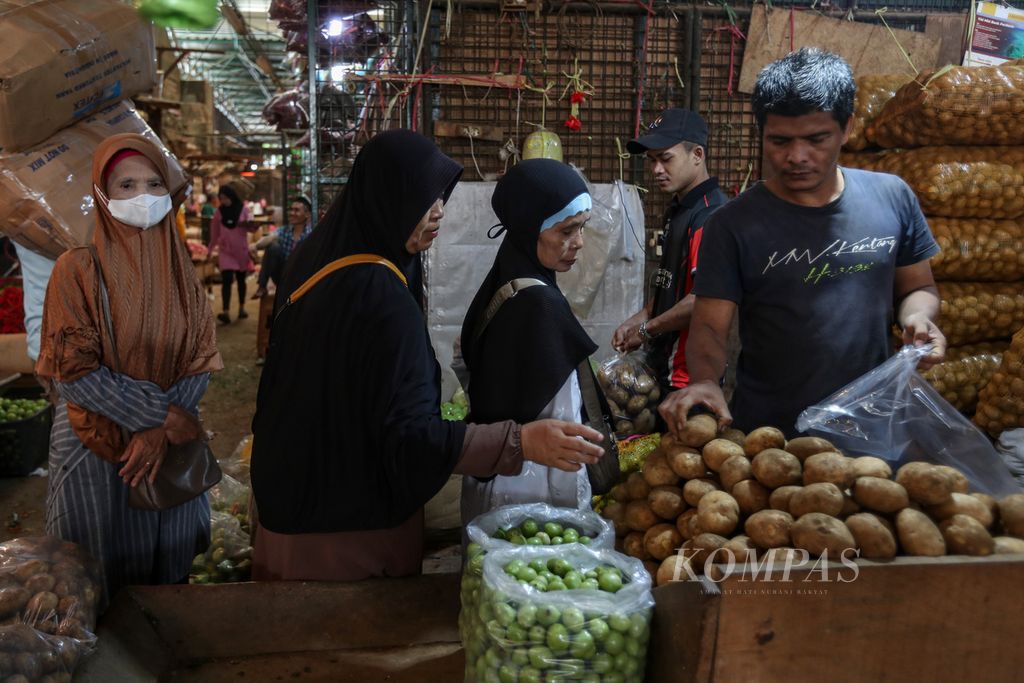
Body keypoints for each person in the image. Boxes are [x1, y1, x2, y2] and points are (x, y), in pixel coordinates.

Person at [249, 130, 604, 581]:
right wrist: (521, 442)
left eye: (442, 196)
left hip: (286, 496)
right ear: (389, 197)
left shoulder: (317, 257)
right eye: (424, 196)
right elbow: (409, 436)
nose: (439, 210)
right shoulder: (380, 295)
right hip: (345, 528)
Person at [658, 48, 946, 439]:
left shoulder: (893, 197)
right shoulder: (731, 224)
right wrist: (706, 380)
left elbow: (918, 288)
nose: (796, 156)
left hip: (873, 425)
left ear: (847, 128)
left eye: (816, 139)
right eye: (779, 141)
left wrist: (917, 318)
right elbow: (709, 326)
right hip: (770, 441)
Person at [35, 133, 223, 607]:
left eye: (155, 183)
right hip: (94, 448)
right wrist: (161, 417)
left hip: (166, 448)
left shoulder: (184, 272)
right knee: (95, 578)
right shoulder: (76, 270)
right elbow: (74, 372)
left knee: (167, 577)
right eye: (126, 185)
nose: (143, 196)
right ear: (102, 194)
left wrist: (162, 426)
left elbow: (200, 357)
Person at [458, 159, 608, 523]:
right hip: (534, 492)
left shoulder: (504, 279)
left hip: (496, 479)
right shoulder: (538, 303)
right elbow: (566, 421)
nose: (579, 242)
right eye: (567, 230)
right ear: (530, 229)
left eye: (582, 227)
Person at [612, 109, 728, 393]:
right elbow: (674, 284)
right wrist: (640, 317)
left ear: (697, 155)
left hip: (690, 378)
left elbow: (701, 300)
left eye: (666, 159)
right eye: (652, 161)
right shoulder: (681, 208)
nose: (656, 170)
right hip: (666, 368)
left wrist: (646, 330)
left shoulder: (710, 216)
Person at [208, 185, 257, 324]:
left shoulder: (244, 209)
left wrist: (253, 225)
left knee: (241, 279)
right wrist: (210, 249)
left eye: (226, 198)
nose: (224, 201)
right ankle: (226, 312)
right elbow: (214, 233)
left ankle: (242, 308)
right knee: (227, 279)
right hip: (226, 251)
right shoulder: (219, 213)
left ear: (232, 197)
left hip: (241, 250)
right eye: (221, 198)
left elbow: (252, 228)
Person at [251, 196, 313, 300]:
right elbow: (268, 238)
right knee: (273, 246)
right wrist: (255, 246)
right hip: (282, 275)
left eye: (296, 210)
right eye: (291, 210)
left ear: (307, 214)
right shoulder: (285, 230)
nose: (292, 213)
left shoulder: (311, 235)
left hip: (301, 277)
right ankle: (262, 286)